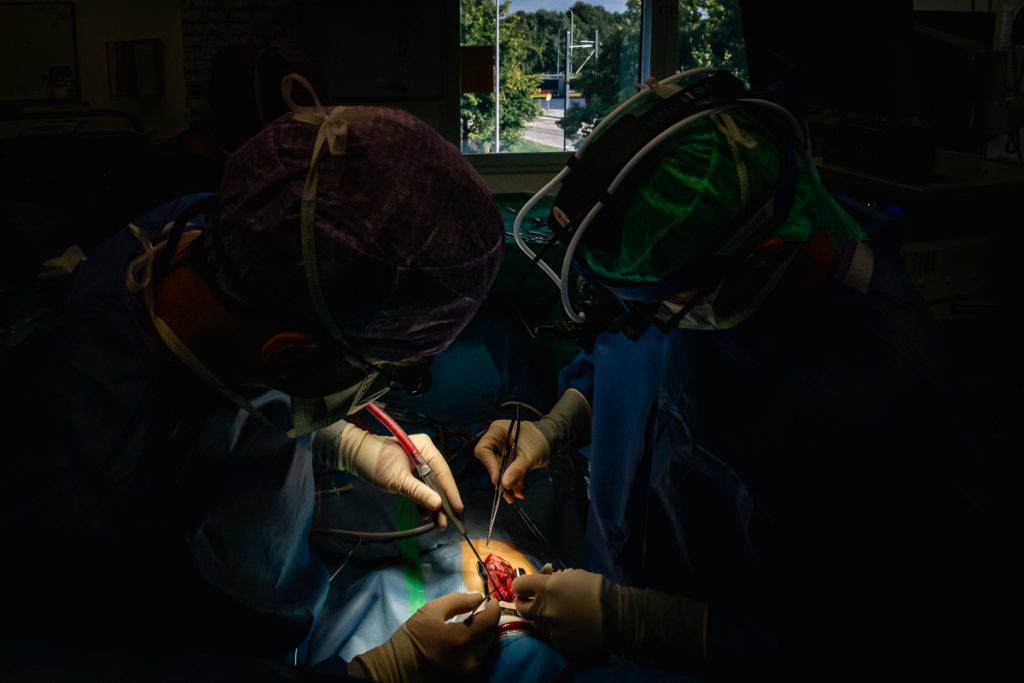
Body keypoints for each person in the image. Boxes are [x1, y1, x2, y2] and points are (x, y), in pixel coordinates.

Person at [475, 69, 997, 680]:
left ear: (763, 258)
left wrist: (647, 623)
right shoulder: (698, 260)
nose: (643, 320)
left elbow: (872, 644)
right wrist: (560, 421)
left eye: (660, 309)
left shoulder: (898, 409)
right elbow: (629, 357)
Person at [0, 76, 503, 680]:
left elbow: (244, 386)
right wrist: (380, 674)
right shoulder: (91, 512)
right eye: (395, 372)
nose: (393, 388)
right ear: (290, 356)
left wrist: (349, 443)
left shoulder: (201, 238)